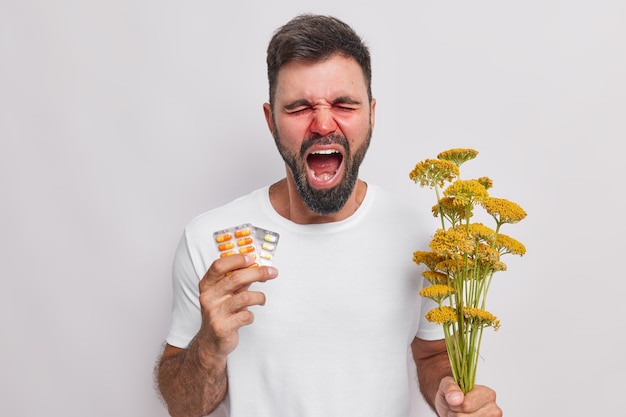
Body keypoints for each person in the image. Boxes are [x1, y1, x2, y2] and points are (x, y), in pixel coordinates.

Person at [155, 13, 502, 417]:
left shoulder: (424, 238)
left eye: (344, 104)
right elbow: (182, 406)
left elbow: (431, 356)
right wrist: (208, 350)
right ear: (271, 121)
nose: (322, 124)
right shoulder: (208, 240)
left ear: (371, 114)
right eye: (300, 107)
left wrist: (448, 392)